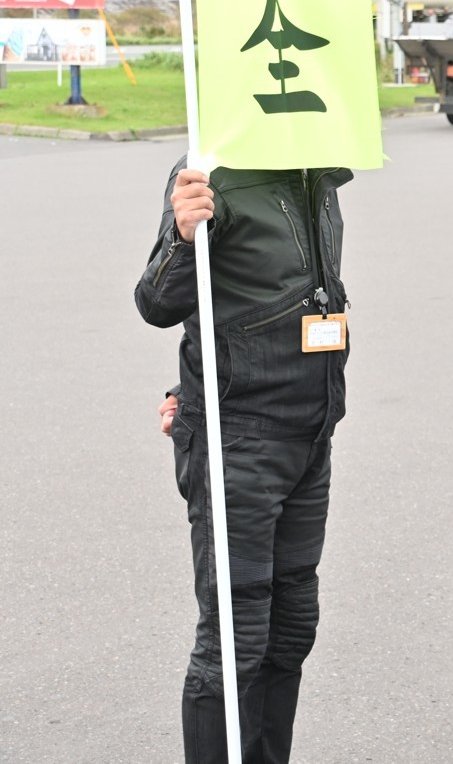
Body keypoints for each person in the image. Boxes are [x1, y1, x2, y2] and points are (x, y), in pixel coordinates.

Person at [135, 159, 353, 764]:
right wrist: (183, 238)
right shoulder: (212, 172)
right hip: (241, 444)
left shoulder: (317, 170)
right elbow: (157, 302)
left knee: (292, 628)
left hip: (311, 438)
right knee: (235, 643)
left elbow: (252, 303)